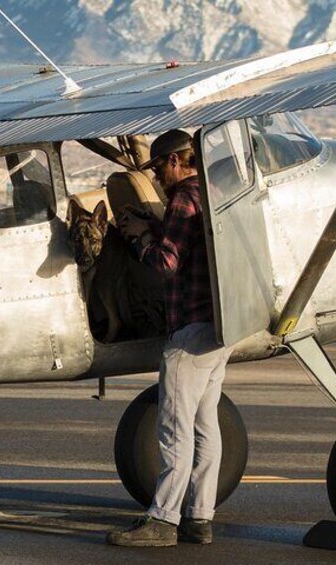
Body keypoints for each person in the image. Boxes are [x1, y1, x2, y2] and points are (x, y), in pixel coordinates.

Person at [108, 129, 232, 547]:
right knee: (204, 426)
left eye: (160, 166)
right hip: (219, 329)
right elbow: (193, 243)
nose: (158, 175)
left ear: (178, 161)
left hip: (190, 330)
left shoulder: (182, 196)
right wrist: (156, 224)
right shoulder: (211, 191)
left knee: (174, 428)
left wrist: (138, 239)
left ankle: (162, 520)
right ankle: (200, 517)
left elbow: (165, 263)